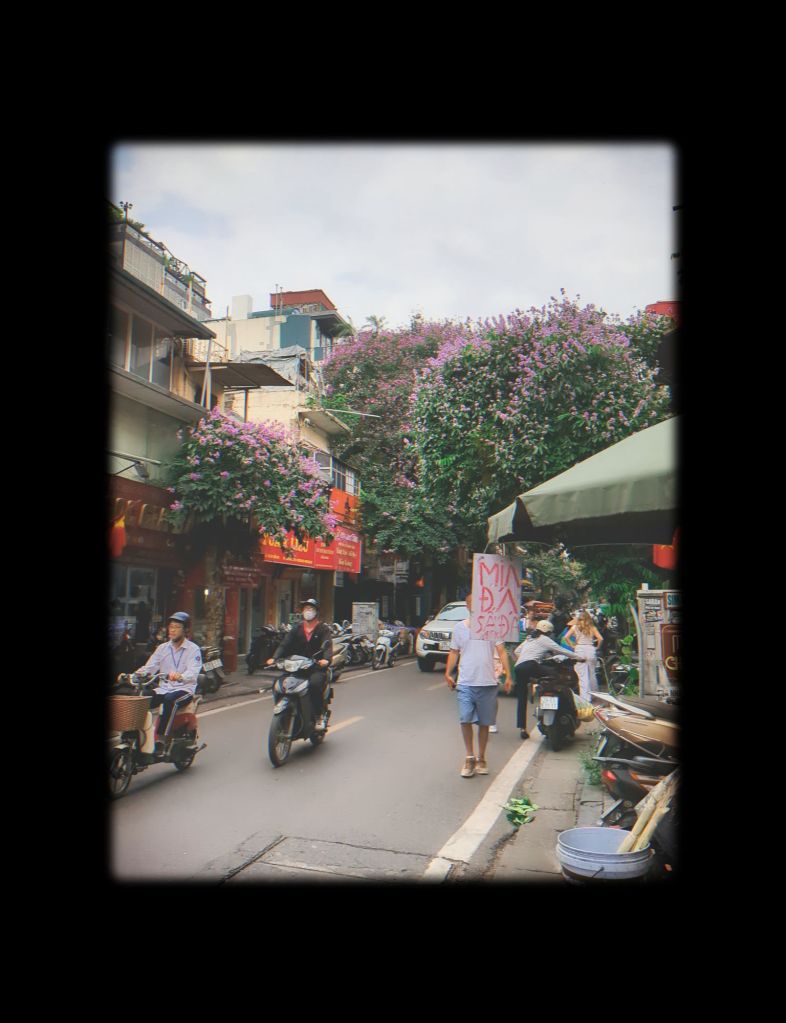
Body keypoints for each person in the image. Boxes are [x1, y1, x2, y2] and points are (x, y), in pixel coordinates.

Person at [444, 593, 513, 778]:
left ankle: (481, 757)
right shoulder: (459, 628)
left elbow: (502, 651)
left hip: (487, 682)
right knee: (465, 719)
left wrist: (508, 675)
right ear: (467, 606)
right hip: (465, 681)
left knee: (484, 722)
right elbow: (454, 651)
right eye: (472, 604)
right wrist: (448, 673)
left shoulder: (493, 626)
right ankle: (469, 757)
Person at [136, 611, 203, 758]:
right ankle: (137, 738)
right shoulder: (162, 648)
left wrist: (181, 676)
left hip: (184, 689)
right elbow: (150, 667)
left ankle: (161, 739)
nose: (172, 630)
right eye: (171, 626)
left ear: (185, 630)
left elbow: (193, 672)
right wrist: (136, 674)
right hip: (163, 688)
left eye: (177, 627)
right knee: (141, 698)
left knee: (170, 700)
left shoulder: (193, 649)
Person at [505, 620, 586, 739]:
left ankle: (522, 728)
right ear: (548, 632)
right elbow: (561, 650)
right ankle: (559, 703)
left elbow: (517, 651)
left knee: (522, 698)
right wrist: (579, 658)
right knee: (557, 675)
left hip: (519, 668)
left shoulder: (530, 638)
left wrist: (528, 659)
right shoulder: (544, 639)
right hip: (531, 665)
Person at [266, 598, 333, 730]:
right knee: (278, 684)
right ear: (302, 612)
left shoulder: (323, 629)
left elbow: (327, 646)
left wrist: (326, 659)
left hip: (315, 667)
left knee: (315, 684)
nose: (308, 611)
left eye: (311, 609)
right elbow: (284, 644)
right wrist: (274, 658)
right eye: (306, 609)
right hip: (296, 667)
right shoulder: (296, 628)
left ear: (316, 612)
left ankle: (319, 715)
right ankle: (284, 709)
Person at [564, 609, 603, 703]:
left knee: (582, 676)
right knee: (592, 674)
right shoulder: (592, 627)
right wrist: (597, 647)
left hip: (579, 650)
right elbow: (601, 639)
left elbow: (566, 637)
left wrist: (572, 645)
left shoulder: (574, 627)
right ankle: (594, 694)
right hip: (590, 649)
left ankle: (585, 699)